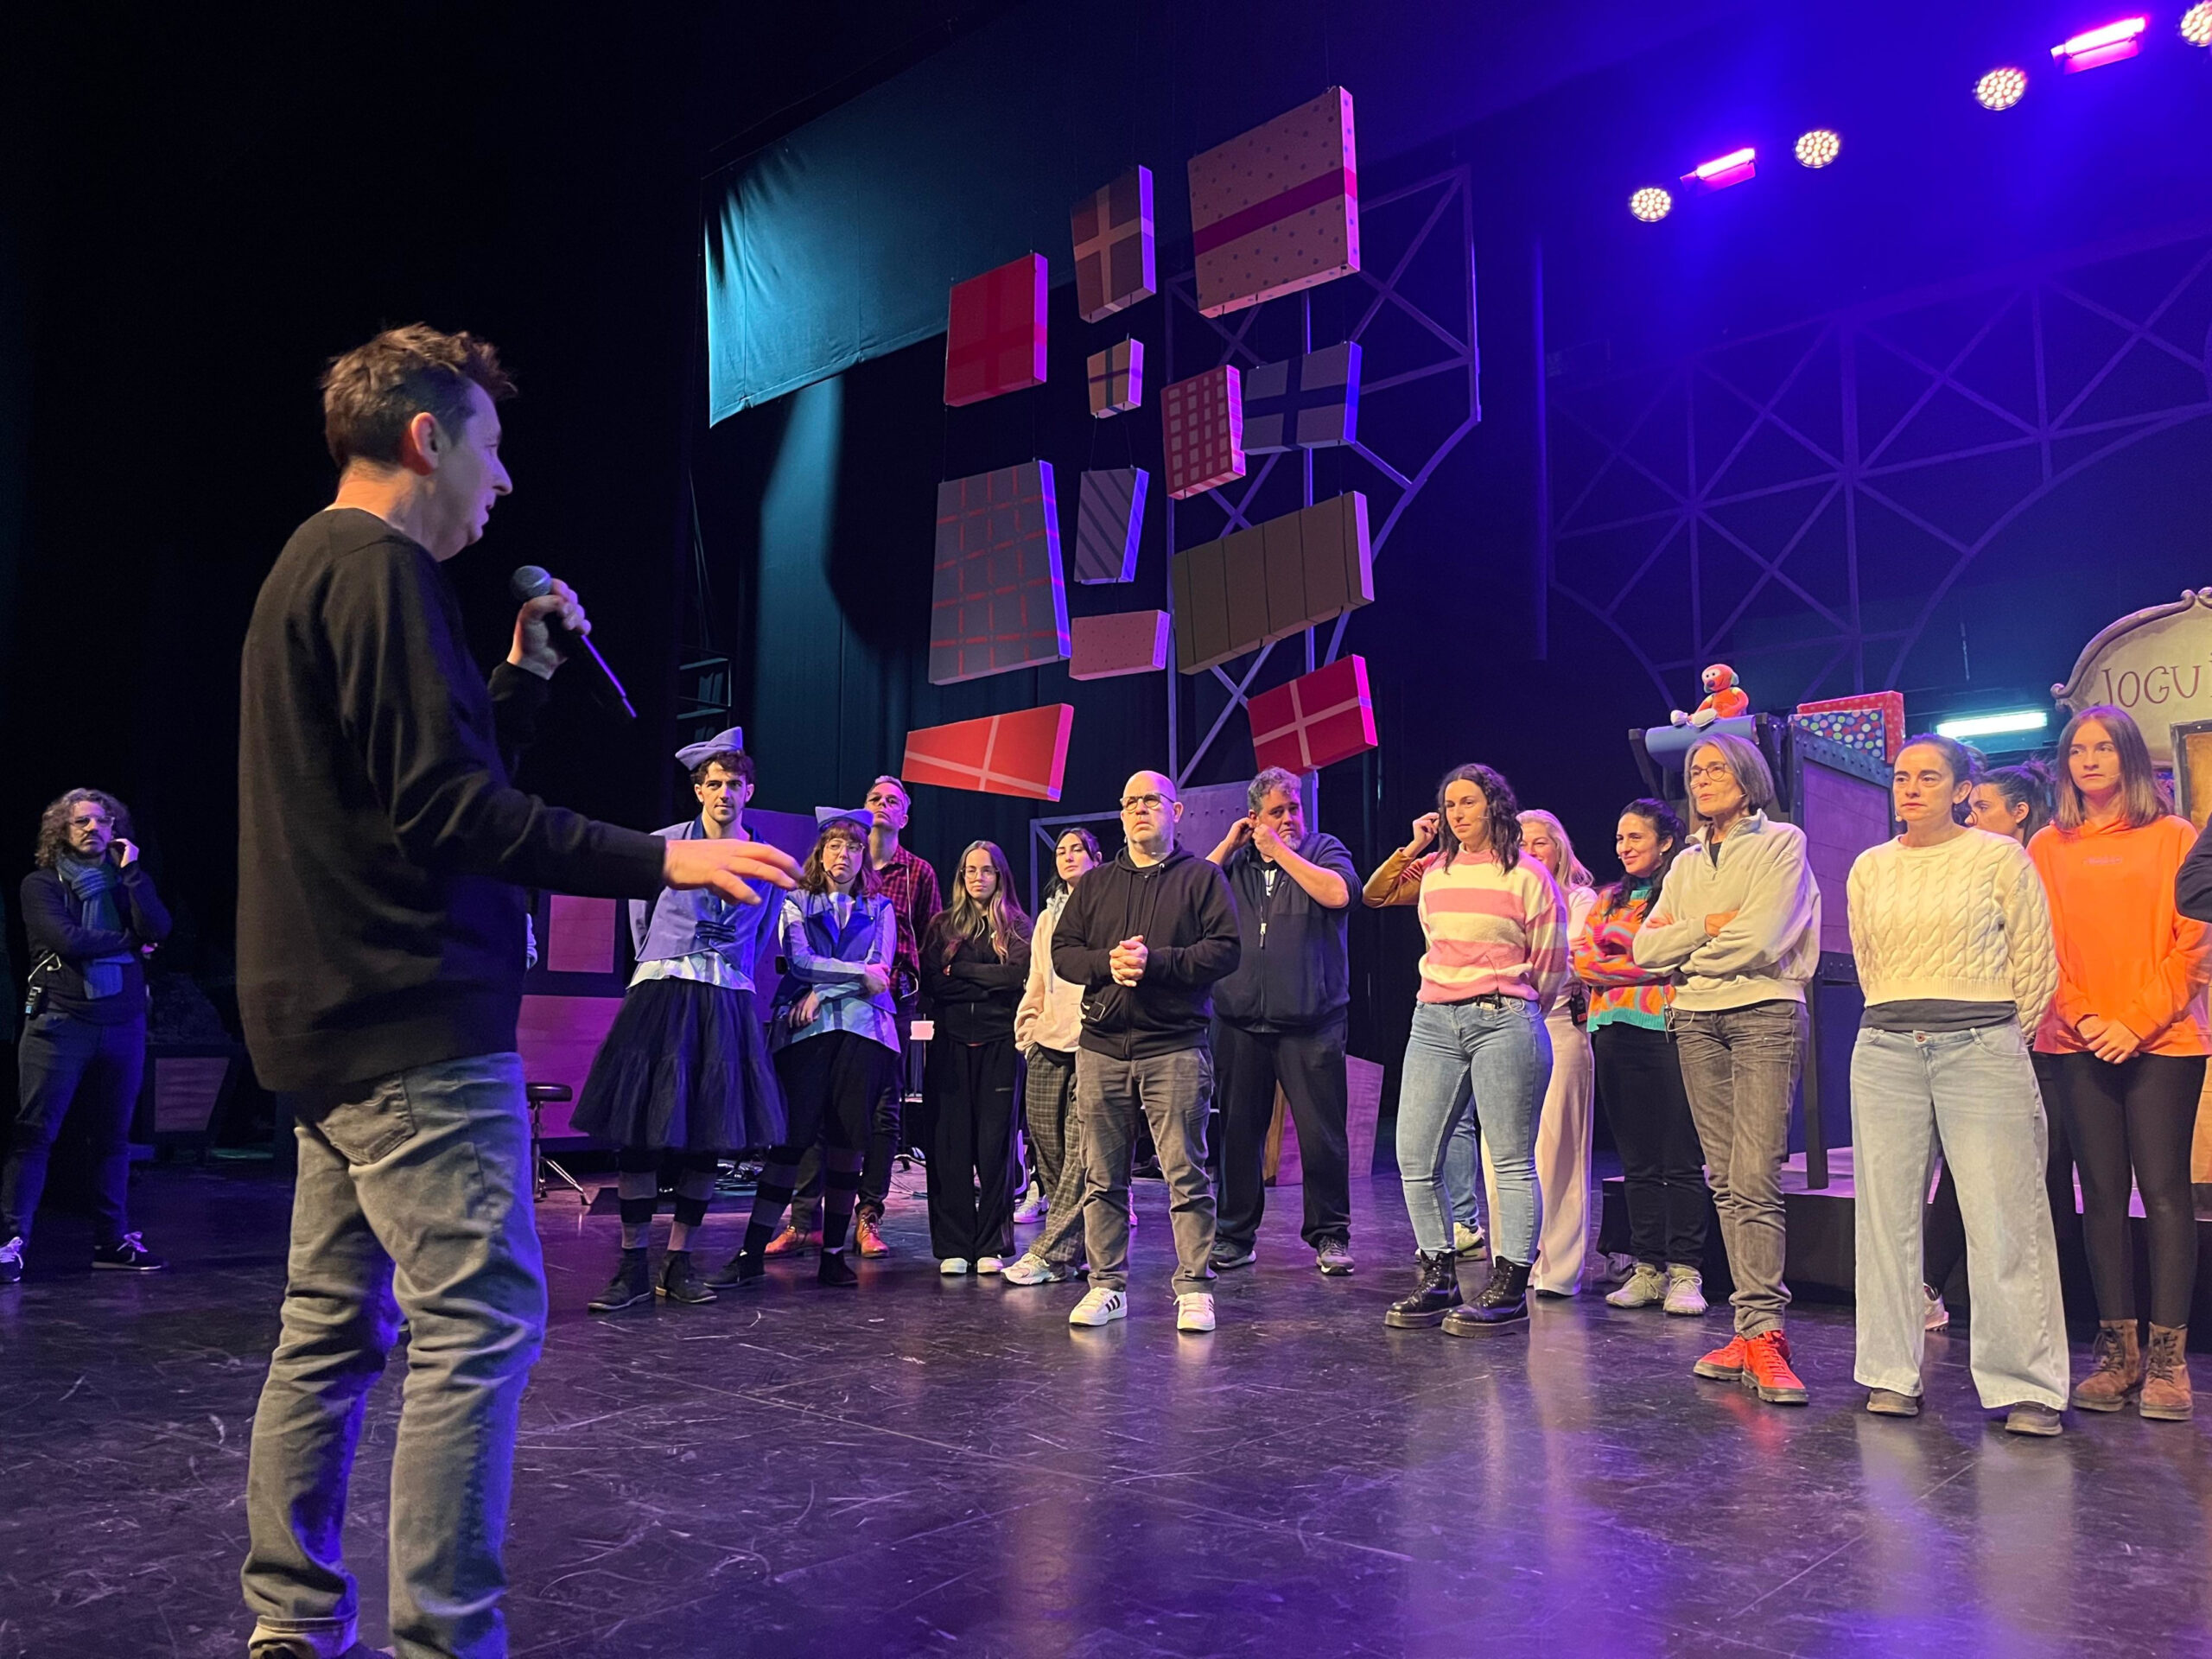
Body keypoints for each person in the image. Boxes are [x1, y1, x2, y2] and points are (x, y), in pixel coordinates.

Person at [234, 324, 796, 1659]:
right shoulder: (381, 569)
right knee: (477, 1320)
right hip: (415, 1017)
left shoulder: (310, 568)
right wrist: (663, 855)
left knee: (328, 1329)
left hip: (331, 1014)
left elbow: (419, 781)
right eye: (489, 448)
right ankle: (444, 1641)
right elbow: (452, 814)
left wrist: (523, 679)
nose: (502, 481)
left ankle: (291, 1623)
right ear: (426, 437)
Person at [1848, 734, 2068, 1435]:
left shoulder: (1999, 856)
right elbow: (1871, 963)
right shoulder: (1870, 867)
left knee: (2005, 1216)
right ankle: (1889, 1373)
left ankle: (2027, 1386)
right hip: (1886, 1048)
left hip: (1981, 1043)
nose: (1911, 789)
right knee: (1885, 1219)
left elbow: (2035, 962)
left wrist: (1998, 1037)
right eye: (1902, 777)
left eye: (1928, 777)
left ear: (1962, 789)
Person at [1632, 733, 1820, 1407]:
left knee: (1755, 1176)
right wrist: (1706, 930)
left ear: (1748, 777)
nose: (1703, 779)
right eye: (1695, 771)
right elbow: (1645, 948)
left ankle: (1766, 1333)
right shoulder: (1685, 862)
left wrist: (1688, 950)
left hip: (1764, 1011)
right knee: (1723, 1179)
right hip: (1696, 1019)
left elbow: (1764, 938)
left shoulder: (1781, 843)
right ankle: (1747, 1333)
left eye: (1717, 768)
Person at [572, 732, 786, 1313]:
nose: (724, 793)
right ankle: (632, 1264)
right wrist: (661, 959)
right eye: (714, 784)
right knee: (641, 1133)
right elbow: (639, 916)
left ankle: (679, 1260)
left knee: (708, 1135)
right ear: (698, 791)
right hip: (664, 987)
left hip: (726, 995)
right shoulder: (665, 844)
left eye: (734, 783)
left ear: (749, 791)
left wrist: (732, 971)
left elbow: (763, 932)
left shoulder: (762, 857)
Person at [2037, 705, 2209, 1421]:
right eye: (2078, 750)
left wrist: (2134, 1023)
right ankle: (2118, 1354)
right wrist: (2086, 1018)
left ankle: (2169, 1361)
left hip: (2163, 1039)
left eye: (2104, 748)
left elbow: (2195, 942)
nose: (2089, 760)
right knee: (2100, 1195)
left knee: (2164, 1192)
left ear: (2130, 757)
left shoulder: (2175, 836)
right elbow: (2039, 947)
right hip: (2077, 1038)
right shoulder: (2047, 845)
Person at [1363, 764, 1567, 1335]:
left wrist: (1518, 1005)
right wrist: (1413, 845)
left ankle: (1510, 1287)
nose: (1456, 813)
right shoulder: (1435, 869)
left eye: (1468, 802)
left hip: (1503, 1017)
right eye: (1449, 803)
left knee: (1509, 1159)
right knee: (1414, 1156)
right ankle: (1439, 1277)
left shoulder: (1527, 875)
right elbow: (1375, 893)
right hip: (1433, 1018)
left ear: (1493, 807)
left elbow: (1551, 961)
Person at [1054, 771, 1241, 1332]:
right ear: (1121, 814)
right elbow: (1064, 952)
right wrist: (1107, 963)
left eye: (1151, 800)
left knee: (1186, 1173)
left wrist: (1156, 963)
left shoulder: (1202, 877)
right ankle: (1107, 1286)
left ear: (1175, 812)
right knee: (1102, 1176)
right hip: (1102, 1047)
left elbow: (1225, 950)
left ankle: (1195, 1288)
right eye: (1131, 801)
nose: (1140, 809)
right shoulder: (1095, 884)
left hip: (1175, 1045)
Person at [722, 814, 902, 1291]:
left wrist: (823, 991)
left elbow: (881, 971)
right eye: (835, 846)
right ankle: (751, 1252)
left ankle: (833, 1256)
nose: (844, 855)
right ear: (821, 854)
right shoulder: (796, 900)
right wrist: (849, 978)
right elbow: (801, 960)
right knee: (790, 1142)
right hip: (805, 1033)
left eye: (854, 848)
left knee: (847, 1144)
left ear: (864, 857)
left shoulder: (881, 907)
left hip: (864, 1031)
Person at [0, 789, 172, 1285]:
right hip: (60, 1023)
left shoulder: (126, 882)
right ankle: (11, 1243)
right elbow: (68, 940)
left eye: (102, 820)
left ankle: (112, 1242)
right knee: (36, 1135)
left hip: (122, 1022)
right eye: (81, 821)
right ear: (62, 830)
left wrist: (133, 874)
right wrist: (132, 942)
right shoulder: (41, 884)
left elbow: (160, 926)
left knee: (115, 1138)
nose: (93, 828)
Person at [771, 773, 941, 1260]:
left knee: (882, 1114)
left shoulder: (917, 873)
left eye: (893, 800)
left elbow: (925, 941)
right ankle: (805, 1220)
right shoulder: (822, 880)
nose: (883, 804)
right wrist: (822, 990)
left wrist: (897, 988)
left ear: (905, 815)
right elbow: (804, 955)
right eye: (875, 798)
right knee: (814, 1109)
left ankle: (868, 1216)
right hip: (821, 1002)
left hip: (888, 1002)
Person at [1923, 757, 2066, 1331]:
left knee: (2043, 1175)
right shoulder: (1972, 867)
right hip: (1990, 1037)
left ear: (2020, 812)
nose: (1970, 817)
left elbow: (2045, 958)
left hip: (2049, 1038)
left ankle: (2039, 1308)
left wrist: (2018, 1031)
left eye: (1982, 807)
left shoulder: (2042, 864)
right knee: (1963, 1168)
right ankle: (1929, 1285)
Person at [1205, 766, 1360, 1277]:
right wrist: (1230, 845)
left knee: (1322, 1136)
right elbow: (1189, 895)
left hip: (1312, 1020)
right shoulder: (1235, 864)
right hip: (1240, 1021)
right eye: (1277, 811)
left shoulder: (1322, 849)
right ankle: (1234, 1235)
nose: (1290, 818)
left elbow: (1339, 894)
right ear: (1254, 818)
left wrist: (1282, 852)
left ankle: (1330, 1235)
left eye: (1294, 808)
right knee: (1238, 1134)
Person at [1573, 798, 1709, 1317]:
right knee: (1636, 1160)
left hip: (1668, 1030)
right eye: (1619, 839)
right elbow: (1585, 961)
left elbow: (1677, 957)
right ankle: (1648, 1268)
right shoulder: (1608, 898)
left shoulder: (1680, 894)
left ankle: (1686, 1272)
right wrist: (1643, 960)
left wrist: (1629, 959)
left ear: (1665, 842)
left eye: (1635, 837)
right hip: (1612, 1030)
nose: (1624, 847)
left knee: (1680, 1157)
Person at [1471, 809, 1599, 1296]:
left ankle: (1558, 1271)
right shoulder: (1500, 894)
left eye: (1539, 842)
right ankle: (1512, 1262)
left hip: (1558, 1027)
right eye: (1521, 842)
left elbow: (1570, 962)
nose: (1529, 851)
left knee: (1558, 1152)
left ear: (1559, 849)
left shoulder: (1579, 899)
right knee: (1501, 1151)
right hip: (1504, 1029)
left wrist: (1510, 961)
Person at [921, 841, 1031, 1274]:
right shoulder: (942, 925)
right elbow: (934, 983)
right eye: (970, 870)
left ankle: (991, 1246)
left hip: (1000, 1044)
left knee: (994, 1149)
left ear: (1000, 876)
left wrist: (963, 971)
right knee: (949, 1148)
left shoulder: (1017, 925)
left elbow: (1016, 977)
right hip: (949, 1045)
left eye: (986, 870)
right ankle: (953, 1244)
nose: (977, 877)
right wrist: (989, 983)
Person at [1004, 828, 1103, 1286]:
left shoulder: (1108, 907)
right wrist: (1026, 1031)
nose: (1067, 857)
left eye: (1077, 849)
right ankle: (1083, 1242)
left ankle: (1050, 1254)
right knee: (1047, 1143)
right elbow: (1038, 978)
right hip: (1046, 1039)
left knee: (1082, 1150)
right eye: (1061, 851)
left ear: (1096, 858)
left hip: (1092, 1039)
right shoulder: (1047, 917)